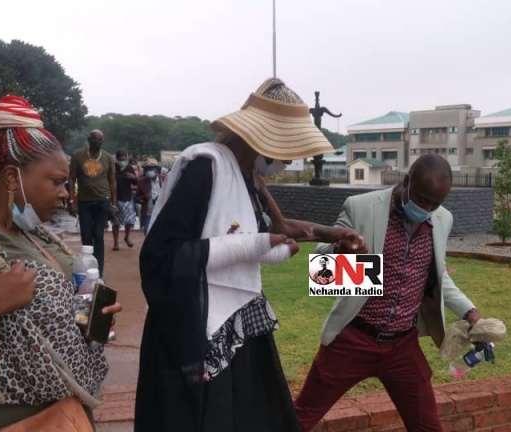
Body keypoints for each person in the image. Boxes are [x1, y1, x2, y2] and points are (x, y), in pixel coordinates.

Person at [134, 77, 364, 431]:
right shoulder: (206, 167)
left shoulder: (249, 177)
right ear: (263, 139)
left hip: (237, 318)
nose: (288, 160)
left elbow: (279, 228)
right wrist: (255, 246)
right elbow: (162, 257)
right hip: (195, 325)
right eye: (286, 150)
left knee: (251, 412)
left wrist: (334, 236)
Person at [0, 95, 122, 431]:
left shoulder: (36, 234)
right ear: (12, 178)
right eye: (57, 182)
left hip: (64, 415)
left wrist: (92, 313)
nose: (67, 193)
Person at [294, 154, 483, 432]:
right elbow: (321, 271)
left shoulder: (442, 219)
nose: (427, 208)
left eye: (435, 203)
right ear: (406, 181)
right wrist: (343, 253)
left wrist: (471, 312)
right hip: (353, 338)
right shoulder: (362, 207)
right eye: (421, 199)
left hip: (402, 346)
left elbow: (435, 275)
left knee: (428, 426)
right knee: (301, 417)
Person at [68, 129, 117, 277]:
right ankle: (87, 269)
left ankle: (99, 272)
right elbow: (71, 179)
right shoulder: (78, 156)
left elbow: (112, 181)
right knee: (86, 236)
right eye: (95, 140)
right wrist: (71, 201)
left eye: (101, 141)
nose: (98, 143)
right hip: (84, 202)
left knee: (98, 236)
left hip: (103, 201)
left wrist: (114, 204)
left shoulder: (108, 158)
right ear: (89, 140)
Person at [111, 149, 137, 250]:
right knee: (115, 221)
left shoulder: (129, 168)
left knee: (129, 220)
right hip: (116, 198)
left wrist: (133, 177)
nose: (123, 161)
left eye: (124, 159)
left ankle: (126, 237)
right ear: (117, 159)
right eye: (121, 159)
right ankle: (116, 243)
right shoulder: (114, 168)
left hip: (128, 197)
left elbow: (136, 183)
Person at [133, 158, 166, 233]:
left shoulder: (164, 179)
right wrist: (144, 197)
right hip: (148, 213)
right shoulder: (142, 182)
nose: (149, 171)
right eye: (147, 169)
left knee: (161, 232)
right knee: (147, 231)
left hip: (162, 212)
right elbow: (136, 198)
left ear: (156, 170)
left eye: (150, 169)